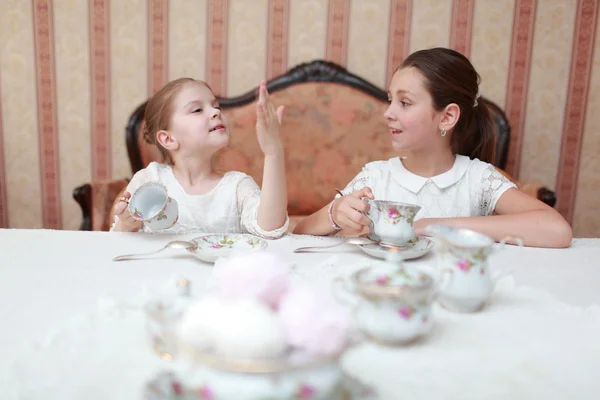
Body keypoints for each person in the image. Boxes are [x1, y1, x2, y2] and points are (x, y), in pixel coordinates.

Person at [293, 48, 572, 248]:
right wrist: (335, 214)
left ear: (447, 116)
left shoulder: (477, 179)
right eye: (390, 100)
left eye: (404, 102)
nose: (388, 113)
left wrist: (431, 226)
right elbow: (301, 232)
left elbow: (556, 229)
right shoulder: (376, 177)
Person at [111, 78, 289, 238]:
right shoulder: (149, 180)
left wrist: (273, 151)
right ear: (168, 139)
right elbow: (118, 244)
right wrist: (126, 225)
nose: (215, 112)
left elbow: (270, 228)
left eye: (216, 106)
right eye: (197, 110)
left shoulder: (238, 186)